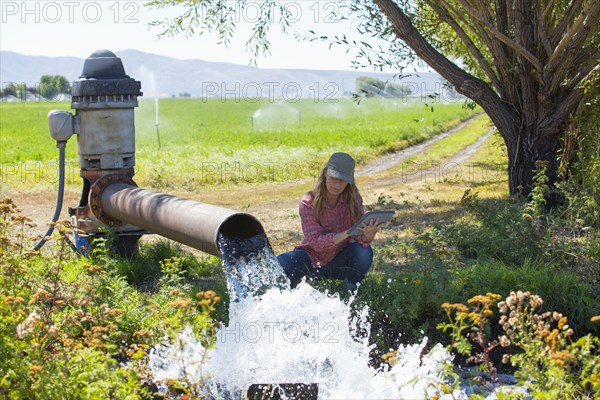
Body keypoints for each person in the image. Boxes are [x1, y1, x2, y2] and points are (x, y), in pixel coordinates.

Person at [277, 152, 382, 291]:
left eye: (343, 180)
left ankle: (351, 290)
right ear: (326, 172)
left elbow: (359, 238)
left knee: (364, 251)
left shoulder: (354, 199)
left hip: (341, 260)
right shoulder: (308, 202)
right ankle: (289, 291)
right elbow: (315, 242)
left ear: (349, 182)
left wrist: (368, 236)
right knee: (283, 262)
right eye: (334, 178)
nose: (337, 185)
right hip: (312, 259)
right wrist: (347, 233)